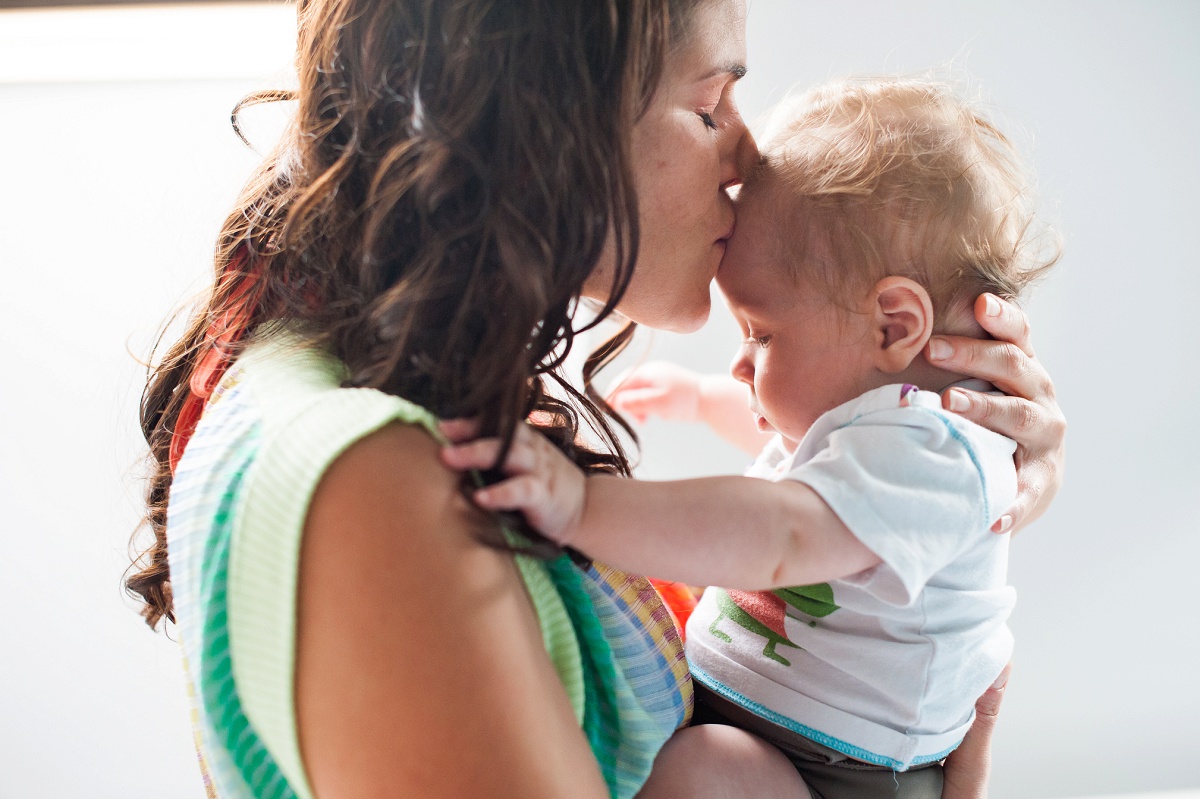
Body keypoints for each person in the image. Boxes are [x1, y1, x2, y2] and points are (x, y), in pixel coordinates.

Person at [123, 0, 1066, 796]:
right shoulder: (369, 482)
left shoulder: (364, 390)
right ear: (546, 121)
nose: (746, 156)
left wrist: (955, 466)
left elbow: (786, 543)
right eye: (710, 104)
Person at [440, 76, 1060, 798]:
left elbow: (788, 530)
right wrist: (705, 401)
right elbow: (804, 466)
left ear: (894, 324)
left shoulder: (936, 446)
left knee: (708, 773)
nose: (742, 363)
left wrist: (582, 508)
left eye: (763, 334)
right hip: (781, 738)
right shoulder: (867, 433)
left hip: (837, 771)